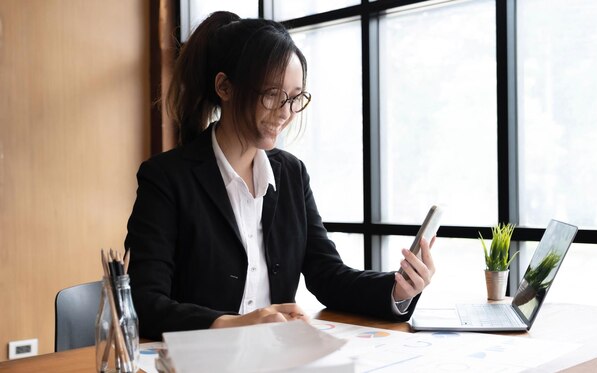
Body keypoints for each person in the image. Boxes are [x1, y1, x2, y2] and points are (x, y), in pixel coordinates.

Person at [125, 11, 436, 340]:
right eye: (272, 94)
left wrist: (398, 289)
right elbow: (143, 302)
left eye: (295, 97)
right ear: (225, 87)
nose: (285, 112)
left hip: (276, 357)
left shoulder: (290, 174)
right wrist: (235, 324)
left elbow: (327, 275)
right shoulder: (166, 178)